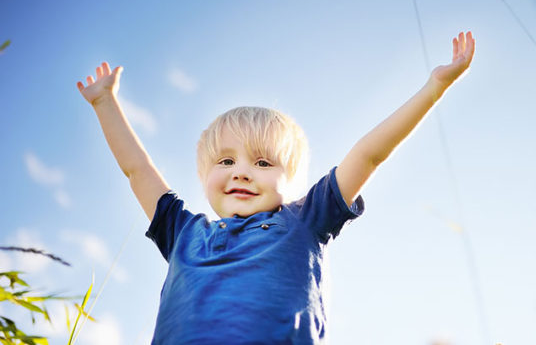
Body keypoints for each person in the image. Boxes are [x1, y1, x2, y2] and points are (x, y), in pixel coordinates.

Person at [76, 31, 475, 344]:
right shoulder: (183, 232)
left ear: (292, 181)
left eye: (263, 162)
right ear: (204, 176)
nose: (242, 172)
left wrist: (433, 89)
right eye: (226, 161)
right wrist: (105, 104)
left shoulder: (304, 220)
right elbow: (137, 169)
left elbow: (368, 156)